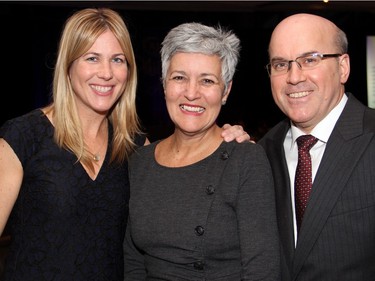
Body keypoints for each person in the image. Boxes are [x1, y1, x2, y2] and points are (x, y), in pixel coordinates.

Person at [0, 8, 251, 281]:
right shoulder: (23, 137)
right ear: (68, 66)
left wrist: (224, 140)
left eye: (117, 60)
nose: (106, 73)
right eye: (92, 58)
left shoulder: (136, 148)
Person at [123, 22, 281, 280]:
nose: (191, 93)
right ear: (164, 85)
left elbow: (261, 269)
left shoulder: (246, 161)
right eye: (179, 77)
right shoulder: (139, 163)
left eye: (207, 80)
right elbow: (133, 263)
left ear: (225, 91)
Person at [259, 13, 375, 281]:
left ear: (343, 67)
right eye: (280, 65)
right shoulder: (260, 154)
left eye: (309, 60)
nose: (294, 77)